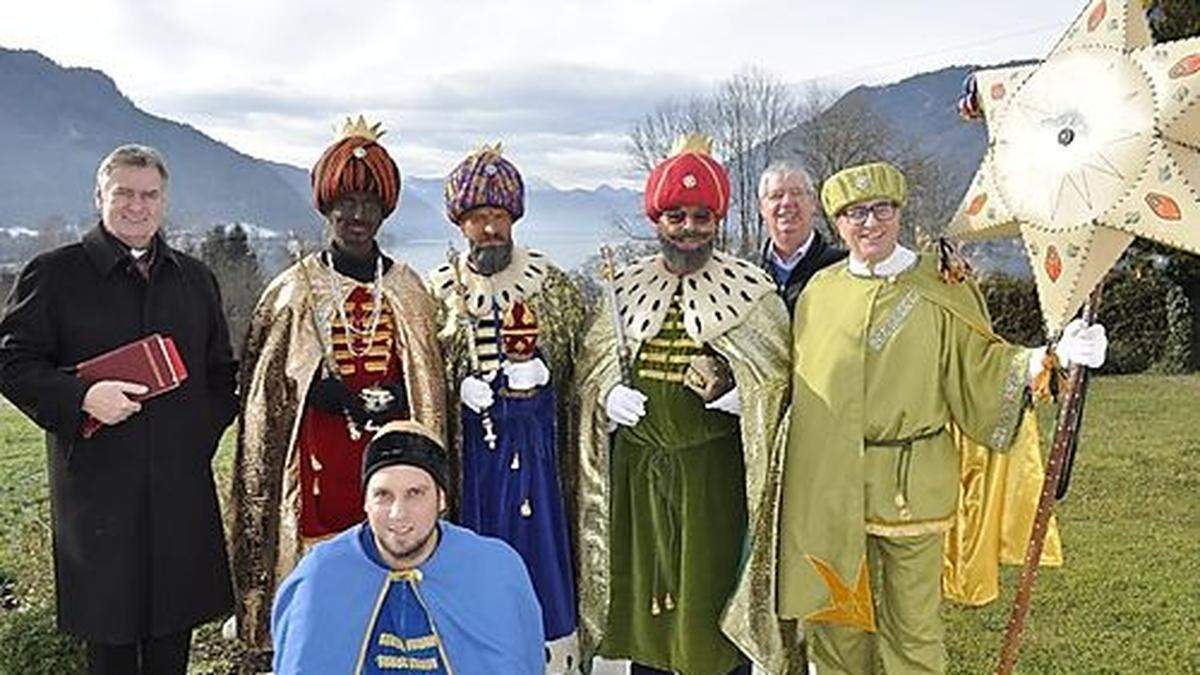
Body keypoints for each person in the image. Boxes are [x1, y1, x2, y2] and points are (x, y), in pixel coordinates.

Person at [776, 162, 1107, 674]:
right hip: (828, 488)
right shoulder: (819, 294)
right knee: (835, 627)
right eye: (854, 213)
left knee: (913, 633)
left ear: (899, 213)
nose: (869, 223)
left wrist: (1050, 357)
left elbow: (983, 363)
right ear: (837, 224)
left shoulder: (938, 284)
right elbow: (794, 380)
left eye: (881, 209)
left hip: (912, 487)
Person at [0, 144, 238, 674]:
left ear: (163, 200)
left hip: (178, 497)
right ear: (99, 197)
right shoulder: (53, 274)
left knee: (171, 648)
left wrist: (193, 438)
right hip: (98, 498)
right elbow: (12, 363)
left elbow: (222, 377)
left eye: (149, 194)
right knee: (108, 651)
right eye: (124, 193)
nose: (137, 205)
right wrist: (82, 397)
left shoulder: (195, 279)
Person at [229, 117, 446, 660]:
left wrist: (399, 391)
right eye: (346, 203)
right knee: (326, 582)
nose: (356, 216)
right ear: (327, 207)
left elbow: (426, 378)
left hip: (393, 465)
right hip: (316, 467)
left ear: (384, 211)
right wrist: (314, 392)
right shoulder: (290, 291)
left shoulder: (409, 290)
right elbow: (262, 393)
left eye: (369, 205)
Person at [574, 134, 792, 675]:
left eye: (700, 216)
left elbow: (779, 383)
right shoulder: (622, 289)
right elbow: (590, 371)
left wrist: (737, 396)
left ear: (716, 221)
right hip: (639, 481)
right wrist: (606, 396)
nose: (689, 228)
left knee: (710, 611)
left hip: (714, 481)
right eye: (676, 215)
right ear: (657, 219)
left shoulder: (753, 290)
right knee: (650, 612)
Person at [429, 143, 583, 672]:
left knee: (539, 559)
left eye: (497, 217)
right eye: (477, 219)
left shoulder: (554, 287)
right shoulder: (439, 292)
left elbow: (579, 374)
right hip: (471, 464)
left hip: (539, 466)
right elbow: (425, 378)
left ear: (513, 218)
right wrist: (457, 393)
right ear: (461, 224)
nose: (489, 229)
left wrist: (545, 379)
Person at [271, 420, 545, 674]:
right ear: (365, 502)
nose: (398, 514)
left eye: (415, 493)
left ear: (441, 499)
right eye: (383, 495)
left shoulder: (494, 571)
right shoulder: (320, 577)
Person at [757, 160, 846, 312]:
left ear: (813, 203)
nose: (787, 202)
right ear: (762, 208)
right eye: (776, 195)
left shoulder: (843, 267)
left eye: (796, 193)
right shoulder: (749, 272)